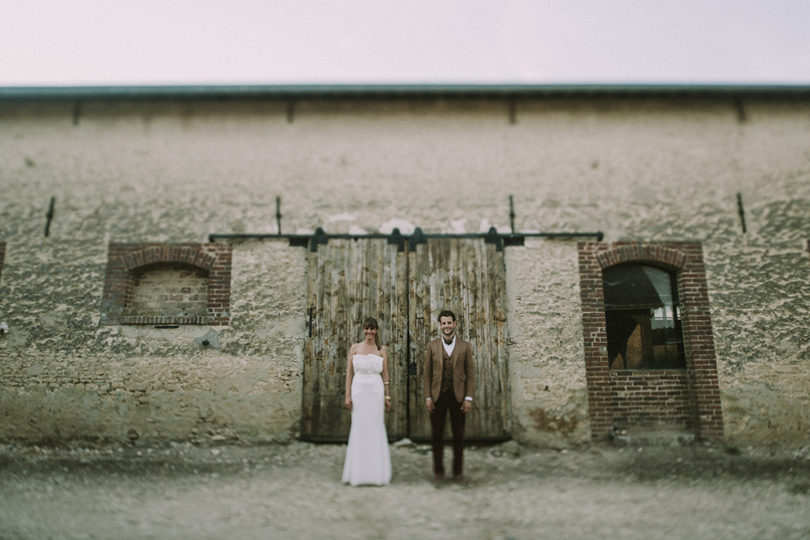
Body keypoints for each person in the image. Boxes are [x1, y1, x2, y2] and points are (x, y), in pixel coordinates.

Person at [423, 309, 475, 486]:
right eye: (443, 323)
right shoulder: (432, 346)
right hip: (438, 396)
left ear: (455, 324)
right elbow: (427, 375)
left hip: (458, 397)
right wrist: (428, 397)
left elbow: (471, 374)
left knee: (458, 436)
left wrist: (468, 398)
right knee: (437, 436)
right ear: (440, 325)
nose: (446, 326)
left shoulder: (465, 346)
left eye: (449, 323)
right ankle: (438, 473)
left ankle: (458, 473)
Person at [341, 316, 392, 486]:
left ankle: (376, 474)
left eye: (372, 329)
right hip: (359, 391)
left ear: (376, 331)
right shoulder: (354, 348)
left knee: (375, 427)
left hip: (376, 392)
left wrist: (387, 395)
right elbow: (349, 373)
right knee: (359, 427)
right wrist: (347, 395)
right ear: (363, 330)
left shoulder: (381, 349)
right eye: (366, 329)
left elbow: (385, 375)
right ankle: (357, 473)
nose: (369, 332)